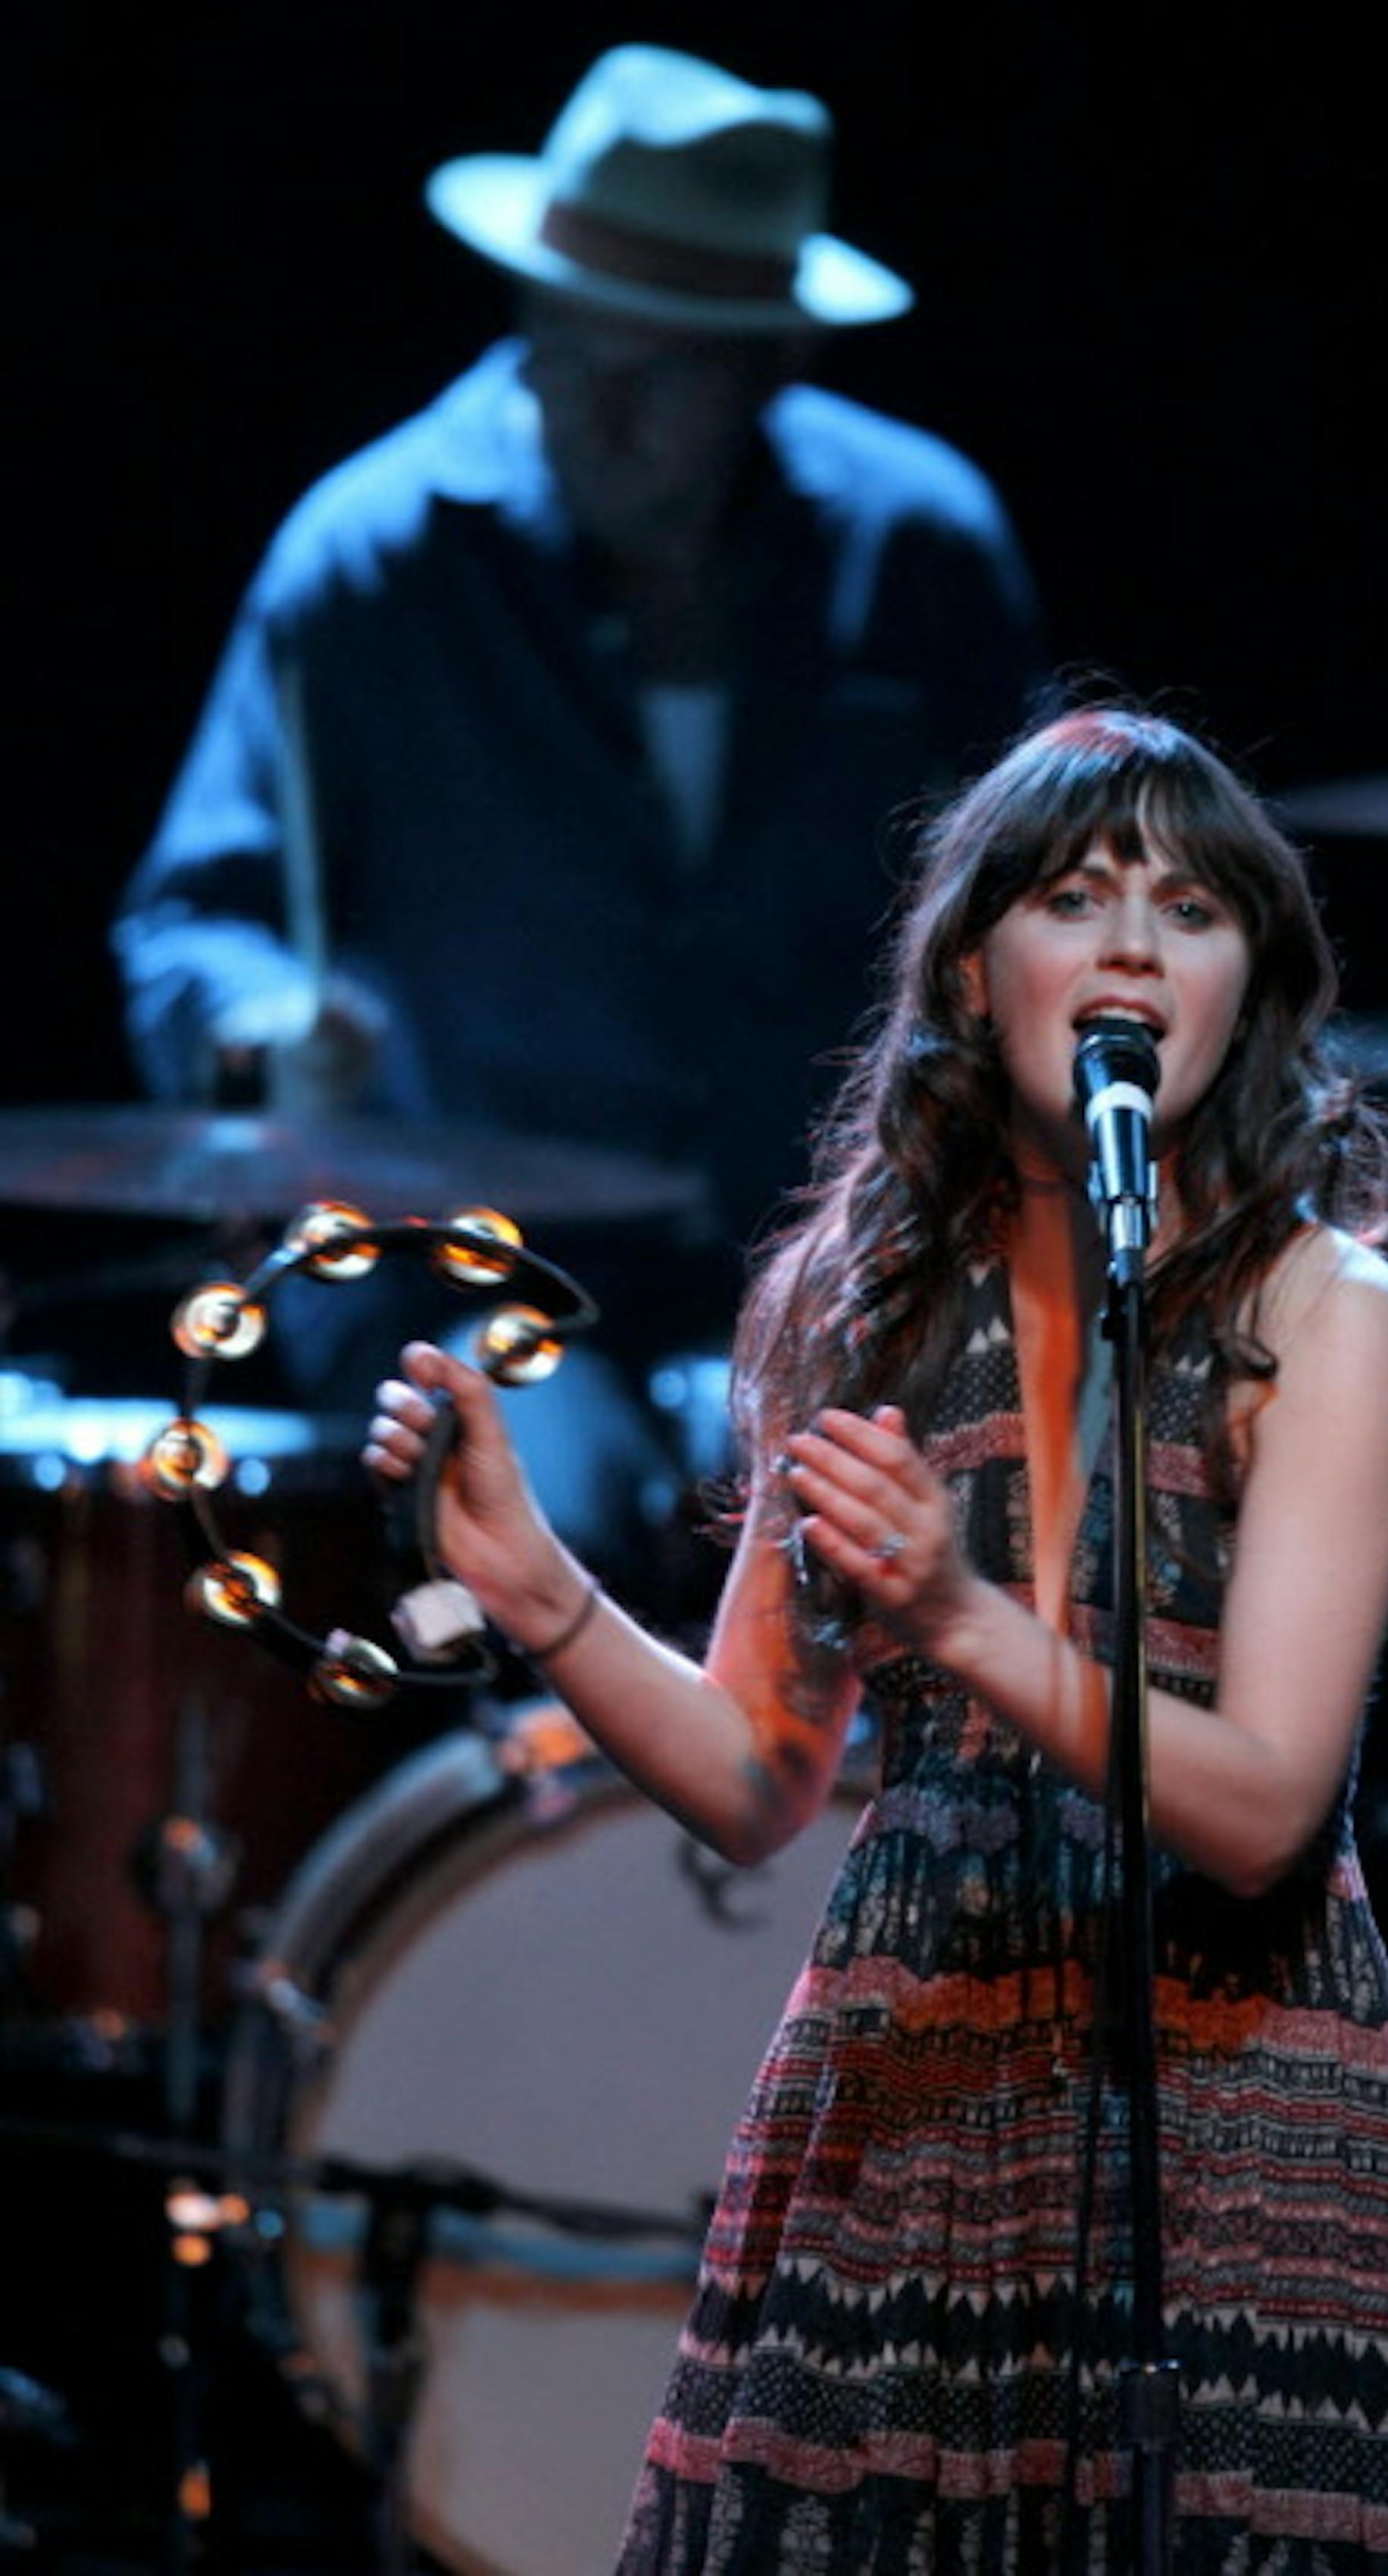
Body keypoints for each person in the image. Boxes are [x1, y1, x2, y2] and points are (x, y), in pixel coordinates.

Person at [365, 706, 1388, 2571]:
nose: (1136, 943)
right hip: (907, 2114)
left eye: (1194, 909)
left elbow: (1267, 1803)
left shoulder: (1324, 1307)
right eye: (1078, 894)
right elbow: (750, 1775)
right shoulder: (863, 1303)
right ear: (978, 972)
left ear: (1249, 987)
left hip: (1243, 2128)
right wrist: (539, 1587)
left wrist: (958, 1613)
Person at [111, 42, 1042, 1576]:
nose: (592, 410)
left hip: (842, 1262)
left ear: (768, 366)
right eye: (562, 344)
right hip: (480, 1280)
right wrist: (272, 1027)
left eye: (660, 369)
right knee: (562, 1510)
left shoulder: (921, 547)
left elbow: (1037, 912)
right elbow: (191, 920)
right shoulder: (368, 565)